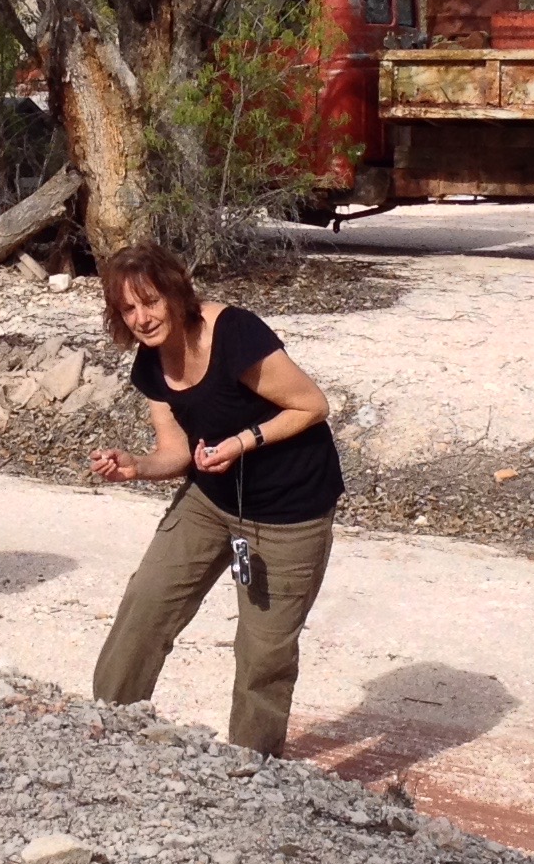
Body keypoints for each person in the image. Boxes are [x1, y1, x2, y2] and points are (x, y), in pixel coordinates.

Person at [84, 242, 344, 756]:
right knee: (147, 604)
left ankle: (250, 770)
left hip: (289, 511)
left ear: (176, 295)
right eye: (128, 309)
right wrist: (137, 466)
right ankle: (106, 731)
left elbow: (313, 405)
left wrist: (243, 441)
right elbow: (175, 451)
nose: (142, 317)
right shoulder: (151, 365)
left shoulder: (234, 334)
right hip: (211, 499)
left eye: (151, 302)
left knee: (262, 653)